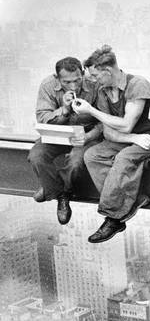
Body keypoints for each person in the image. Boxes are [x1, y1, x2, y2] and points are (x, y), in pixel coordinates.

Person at [74, 45, 150, 243]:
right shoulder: (104, 90)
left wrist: (91, 111)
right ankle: (133, 199)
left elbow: (126, 124)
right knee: (93, 155)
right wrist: (132, 139)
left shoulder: (137, 85)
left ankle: (113, 217)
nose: (93, 81)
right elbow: (108, 130)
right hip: (132, 139)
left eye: (96, 76)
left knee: (124, 158)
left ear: (108, 71)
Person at [29, 56, 102, 224]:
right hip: (56, 133)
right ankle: (58, 193)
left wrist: (88, 136)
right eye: (67, 82)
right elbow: (43, 118)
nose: (74, 86)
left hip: (86, 134)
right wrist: (65, 109)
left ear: (83, 73)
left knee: (76, 162)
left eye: (77, 80)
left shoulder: (95, 84)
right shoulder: (47, 85)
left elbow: (104, 119)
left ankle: (53, 189)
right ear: (57, 78)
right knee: (36, 157)